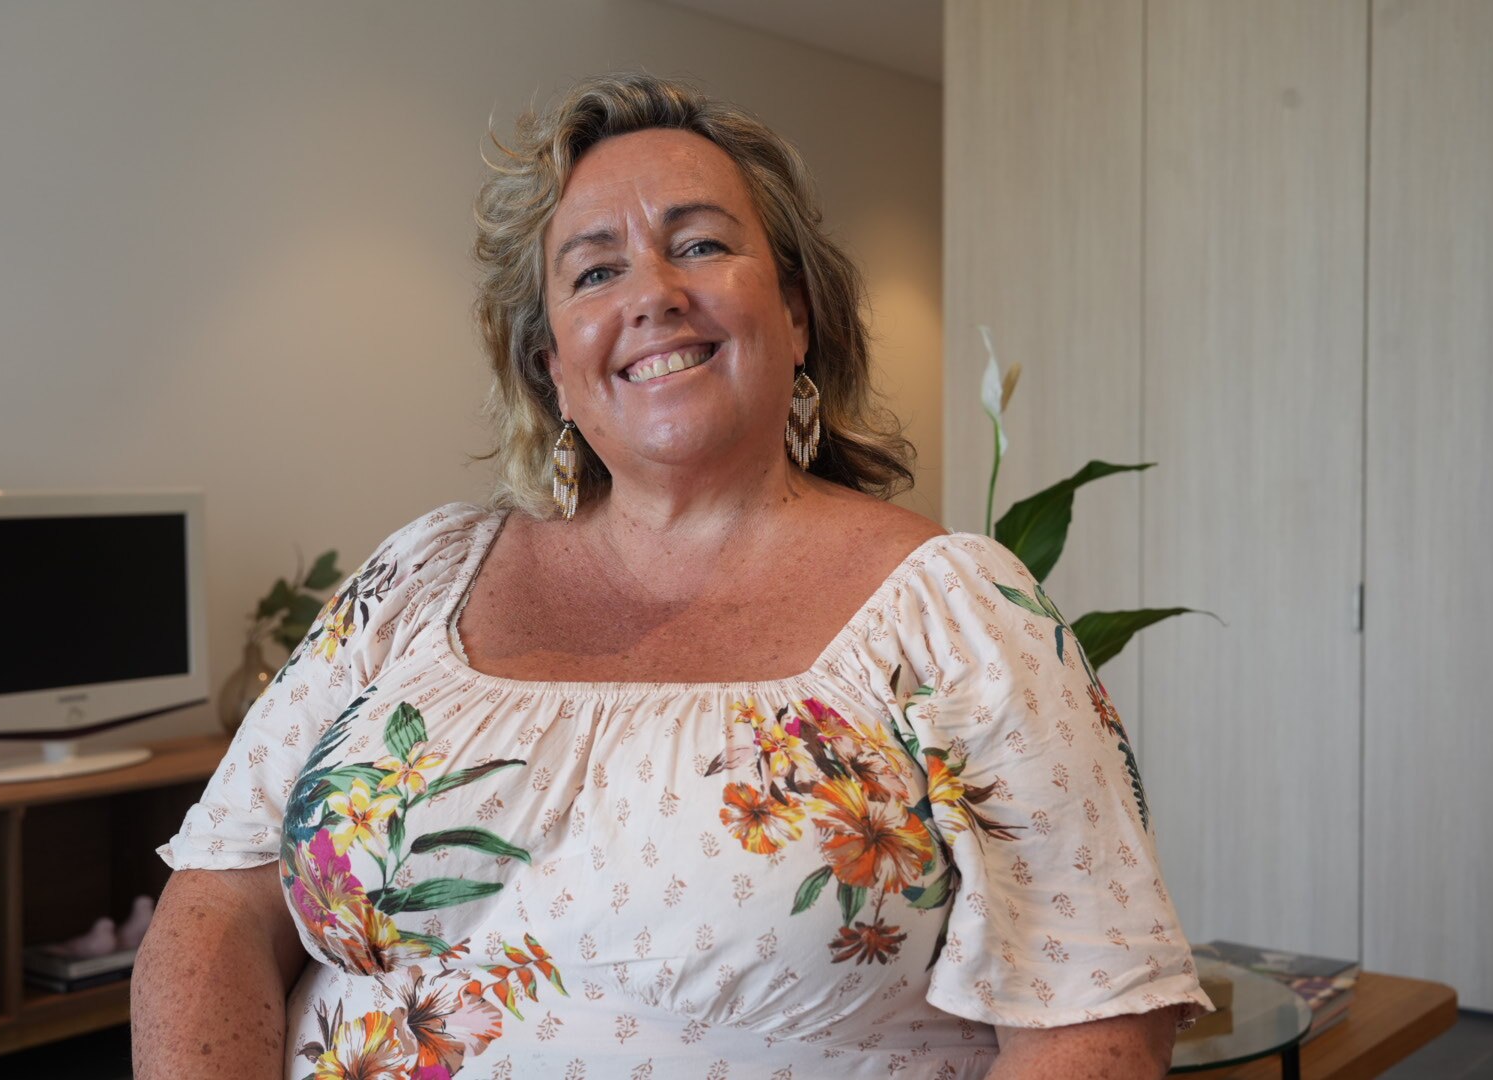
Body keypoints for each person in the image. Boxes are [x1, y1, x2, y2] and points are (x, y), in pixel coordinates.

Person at [132, 72, 1211, 1079]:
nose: (651, 294)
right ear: (553, 369)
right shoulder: (416, 578)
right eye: (595, 271)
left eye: (698, 245)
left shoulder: (959, 616)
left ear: (796, 316)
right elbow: (215, 913)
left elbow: (1097, 1015)